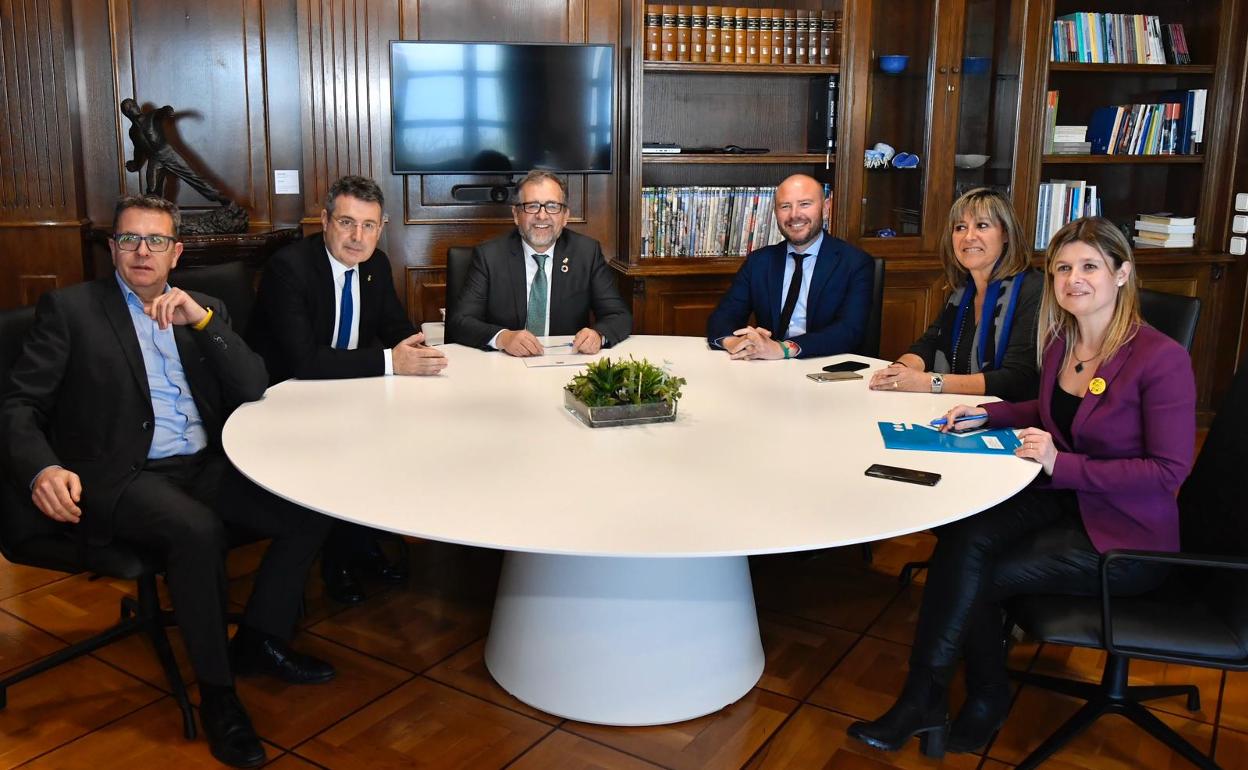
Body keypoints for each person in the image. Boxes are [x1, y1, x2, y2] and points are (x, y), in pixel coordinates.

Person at [0, 196, 336, 768]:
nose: (141, 251)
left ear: (176, 252)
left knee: (309, 510)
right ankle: (219, 695)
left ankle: (258, 638)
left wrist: (202, 324)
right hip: (122, 474)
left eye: (156, 240)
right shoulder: (71, 309)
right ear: (112, 248)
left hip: (204, 464)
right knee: (198, 532)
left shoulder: (202, 308)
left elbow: (253, 384)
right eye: (129, 239)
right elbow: (18, 403)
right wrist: (42, 467)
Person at [847, 217, 1196, 758]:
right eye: (1061, 268)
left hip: (1124, 537)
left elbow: (1168, 471)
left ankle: (976, 697)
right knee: (962, 537)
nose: (1072, 280)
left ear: (1123, 274)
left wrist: (1063, 463)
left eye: (1089, 267)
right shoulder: (1063, 341)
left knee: (978, 575)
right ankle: (928, 697)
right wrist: (987, 415)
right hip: (1063, 501)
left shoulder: (1162, 359)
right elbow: (1052, 409)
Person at [248, 175, 443, 605]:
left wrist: (420, 349)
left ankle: (359, 541)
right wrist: (395, 362)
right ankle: (335, 558)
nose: (358, 238)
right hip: (287, 399)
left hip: (347, 388)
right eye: (347, 223)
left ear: (381, 227)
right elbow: (303, 360)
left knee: (391, 438)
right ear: (325, 220)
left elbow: (394, 326)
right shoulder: (289, 268)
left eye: (369, 226)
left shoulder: (374, 264)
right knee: (343, 447)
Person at [869, 188, 1041, 400]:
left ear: (1005, 233)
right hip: (962, 409)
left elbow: (1017, 379)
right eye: (960, 227)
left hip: (1011, 420)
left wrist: (930, 382)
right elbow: (930, 344)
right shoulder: (963, 290)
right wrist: (897, 372)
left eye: (982, 226)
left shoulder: (1033, 289)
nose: (969, 237)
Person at [446, 170, 632, 356]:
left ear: (565, 216)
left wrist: (598, 336)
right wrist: (503, 338)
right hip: (506, 364)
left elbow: (619, 316)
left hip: (565, 362)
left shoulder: (586, 253)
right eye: (532, 206)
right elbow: (461, 321)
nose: (542, 216)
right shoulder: (489, 256)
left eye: (552, 206)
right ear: (516, 215)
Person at [705, 174, 873, 360]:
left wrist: (783, 349)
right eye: (785, 206)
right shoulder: (759, 261)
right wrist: (735, 342)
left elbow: (849, 330)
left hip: (825, 368)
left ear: (826, 209)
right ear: (776, 212)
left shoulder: (855, 263)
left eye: (805, 204)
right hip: (770, 369)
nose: (794, 215)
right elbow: (723, 317)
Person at [121, 98, 231, 204]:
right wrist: (135, 163)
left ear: (137, 105)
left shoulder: (151, 116)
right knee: (152, 189)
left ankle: (220, 197)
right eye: (128, 108)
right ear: (126, 114)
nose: (131, 108)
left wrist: (168, 110)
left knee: (192, 176)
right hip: (154, 159)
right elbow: (138, 149)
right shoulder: (133, 132)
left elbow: (163, 110)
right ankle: (154, 214)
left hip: (168, 153)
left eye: (132, 105)